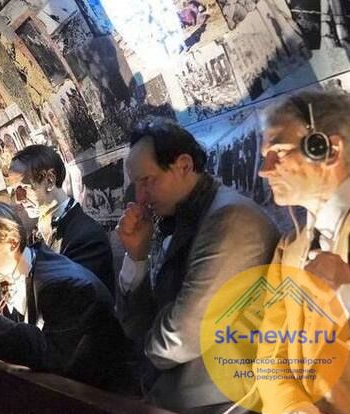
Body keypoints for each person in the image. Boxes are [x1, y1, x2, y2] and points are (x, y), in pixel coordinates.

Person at [115, 117, 279, 412]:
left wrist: (141, 349)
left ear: (184, 165)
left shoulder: (231, 220)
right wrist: (137, 257)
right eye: (136, 184)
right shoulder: (183, 219)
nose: (139, 197)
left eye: (148, 180)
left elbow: (183, 336)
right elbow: (141, 324)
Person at [0, 202, 136, 393]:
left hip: (102, 399)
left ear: (12, 242)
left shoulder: (66, 285)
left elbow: (55, 359)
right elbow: (12, 349)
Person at [256, 90, 350, 414]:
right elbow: (270, 354)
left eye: (278, 152)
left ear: (329, 149)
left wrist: (345, 287)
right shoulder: (289, 250)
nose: (264, 170)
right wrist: (292, 407)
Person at [6, 144, 115, 295]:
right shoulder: (35, 234)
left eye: (23, 188)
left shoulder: (86, 236)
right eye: (14, 191)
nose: (18, 199)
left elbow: (74, 298)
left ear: (50, 180)